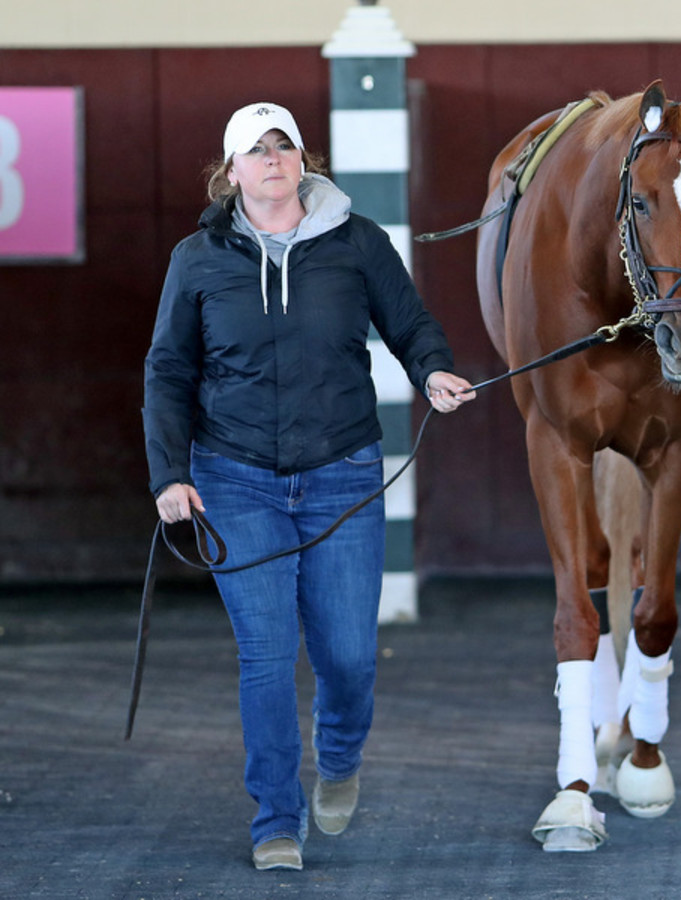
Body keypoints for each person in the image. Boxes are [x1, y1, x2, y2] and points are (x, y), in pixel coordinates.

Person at [143, 102, 475, 871]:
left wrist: (432, 372)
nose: (271, 158)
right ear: (231, 174)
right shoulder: (196, 259)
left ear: (303, 160)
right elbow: (168, 370)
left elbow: (411, 325)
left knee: (350, 657)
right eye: (254, 150)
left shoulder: (359, 244)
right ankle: (275, 820)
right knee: (266, 654)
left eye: (283, 145)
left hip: (342, 475)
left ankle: (340, 756)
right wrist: (169, 473)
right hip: (233, 478)